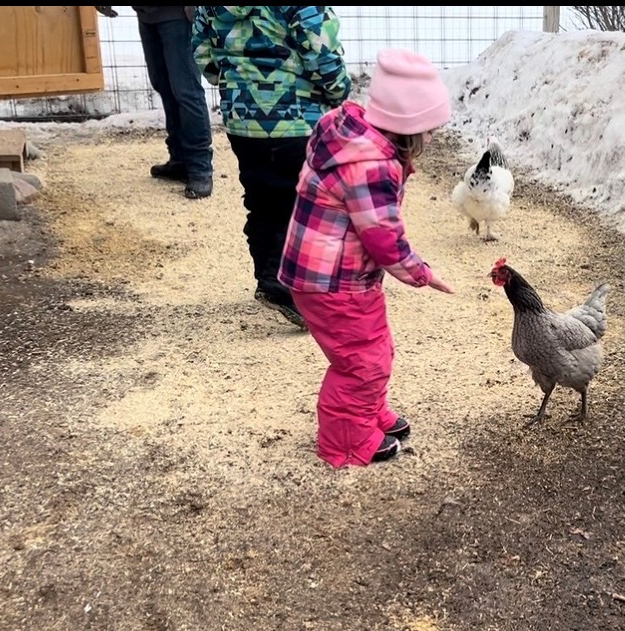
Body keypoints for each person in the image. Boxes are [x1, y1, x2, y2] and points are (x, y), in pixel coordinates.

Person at [278, 49, 456, 467]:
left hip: (328, 274)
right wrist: (421, 274)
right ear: (406, 125)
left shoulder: (351, 138)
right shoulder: (372, 165)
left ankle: (367, 412)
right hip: (336, 282)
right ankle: (345, 439)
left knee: (373, 350)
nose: (429, 139)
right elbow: (384, 238)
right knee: (360, 360)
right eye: (427, 130)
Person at [192, 6, 352, 327]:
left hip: (242, 119)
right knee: (304, 205)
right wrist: (338, 92)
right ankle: (300, 286)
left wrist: (234, 79)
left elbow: (202, 51)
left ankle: (269, 276)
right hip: (296, 118)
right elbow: (321, 53)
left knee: (261, 198)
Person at [94, 6, 215, 200]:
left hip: (178, 15)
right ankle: (179, 159)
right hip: (147, 15)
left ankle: (200, 168)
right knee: (164, 86)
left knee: (186, 91)